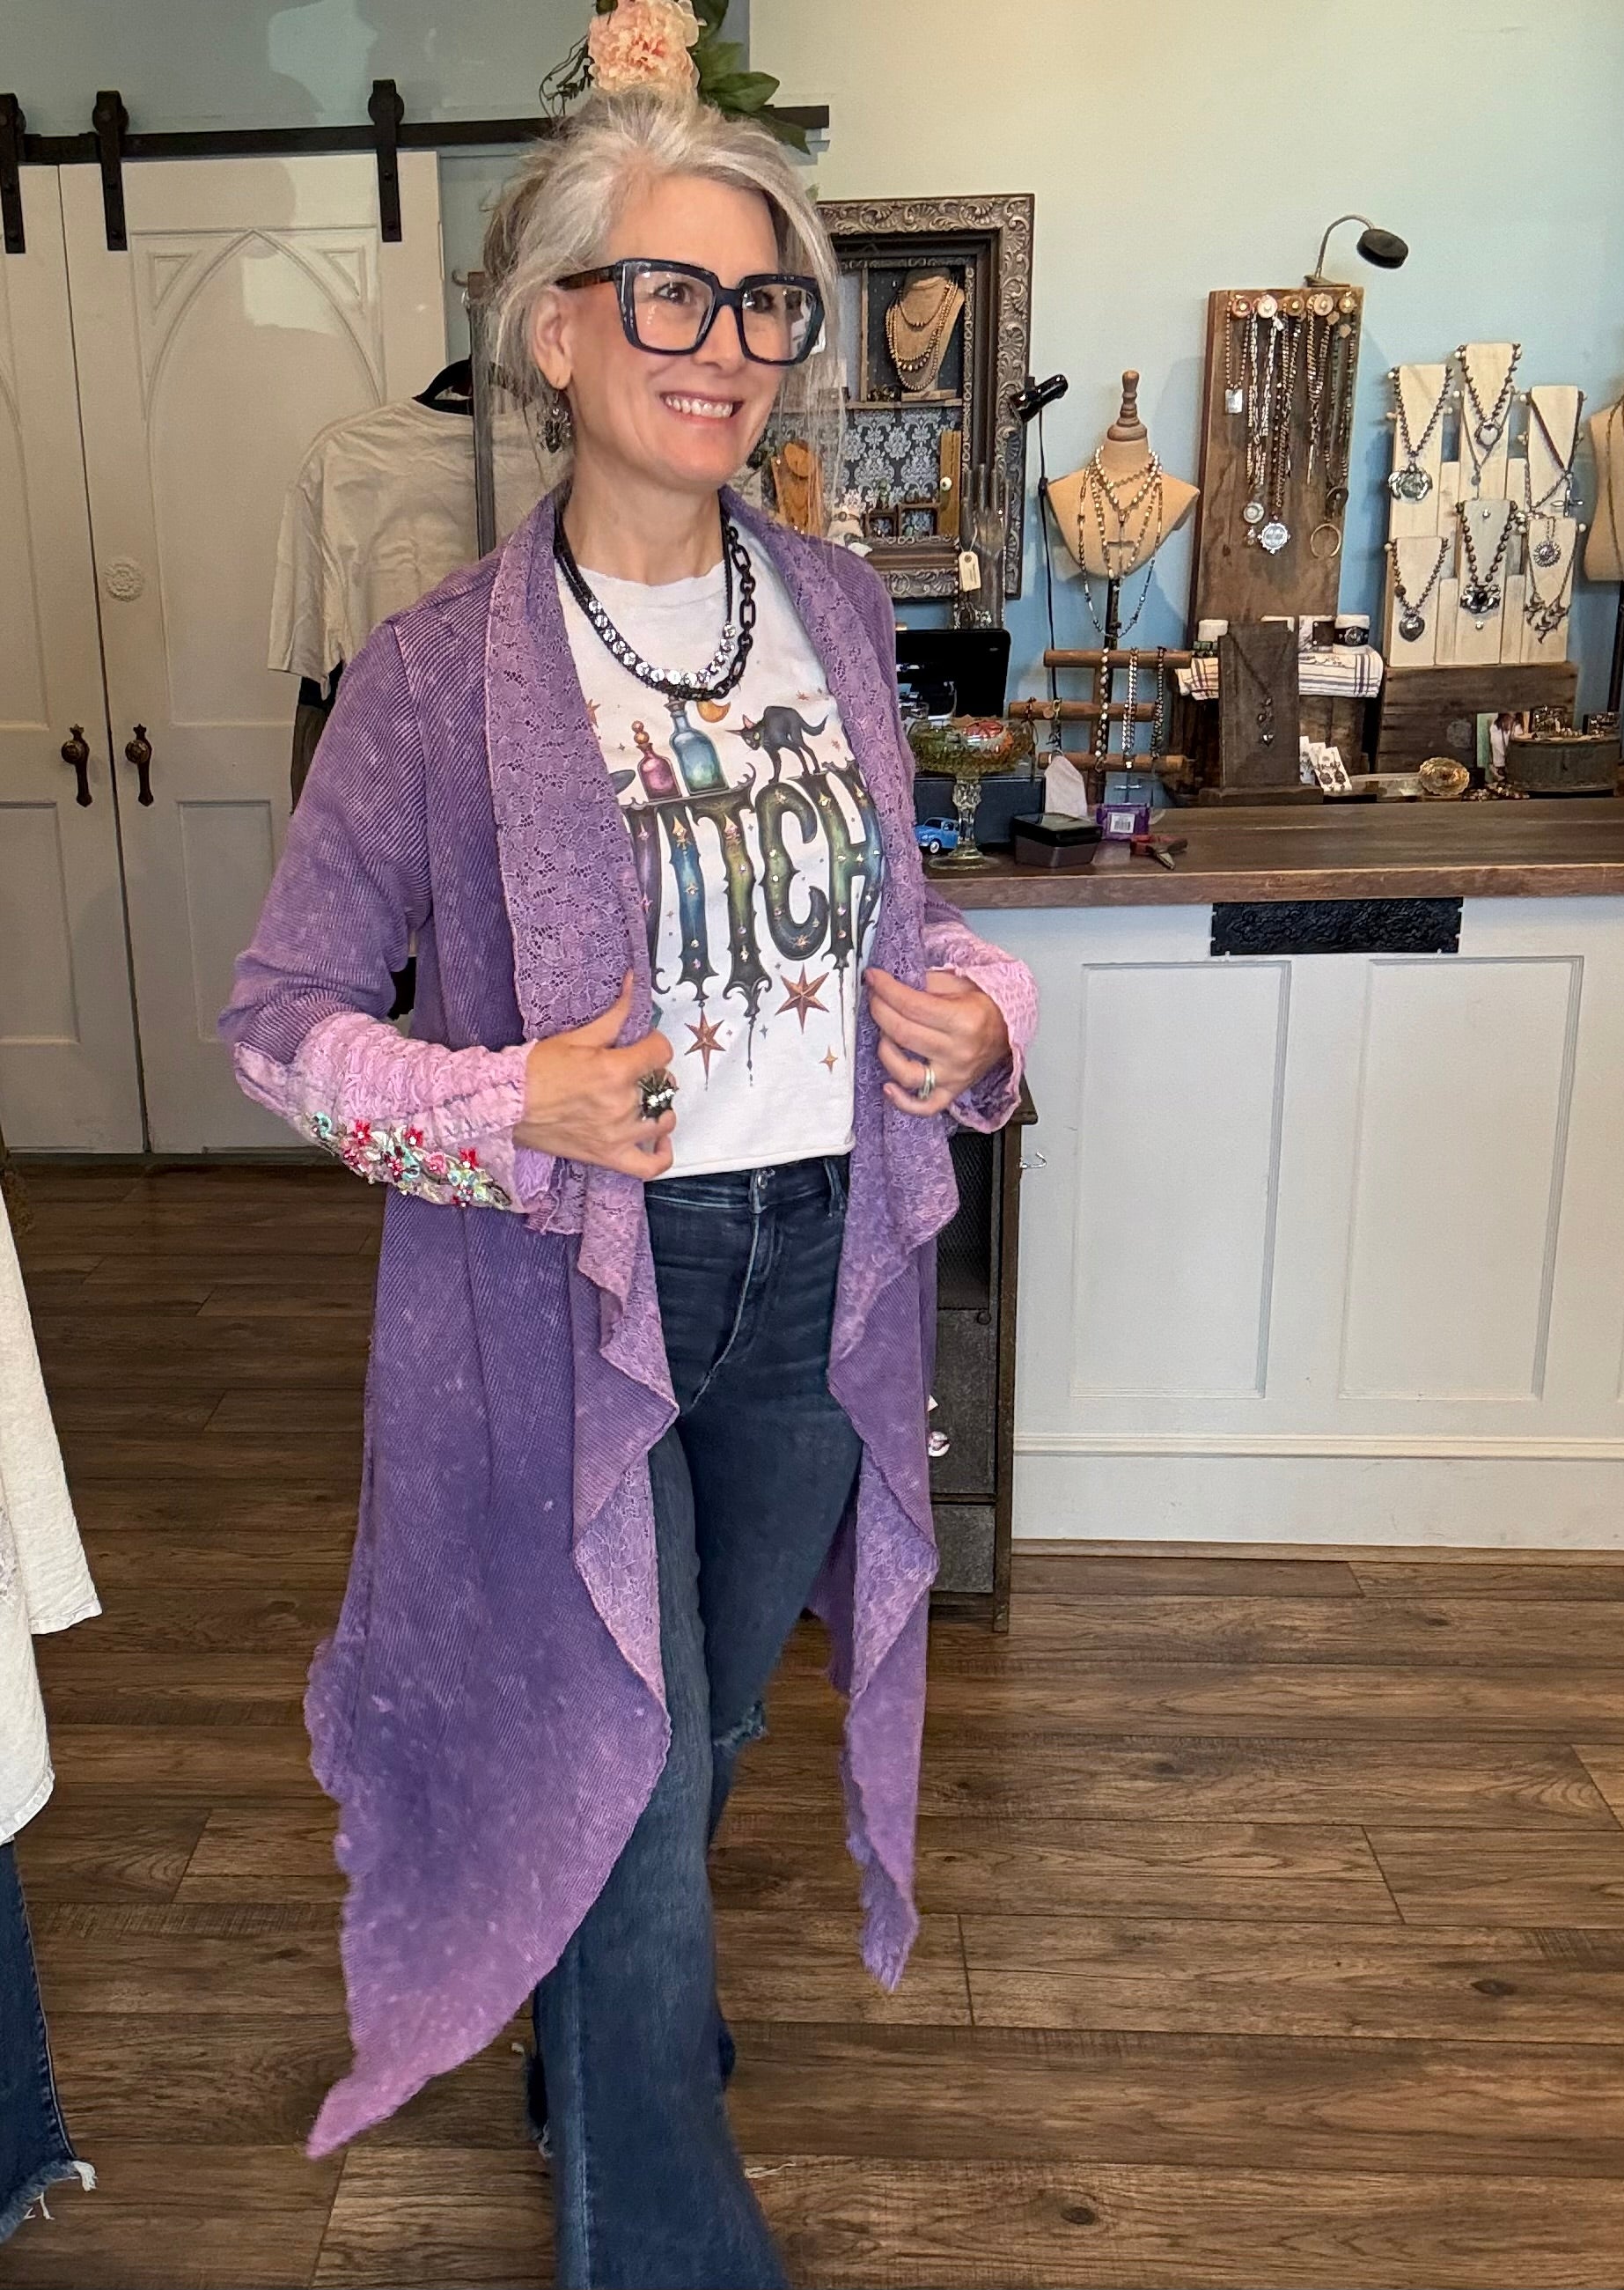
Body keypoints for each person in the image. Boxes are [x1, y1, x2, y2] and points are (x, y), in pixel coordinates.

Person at [221, 85, 1035, 2290]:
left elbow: (903, 922)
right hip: (574, 1285)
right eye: (670, 287)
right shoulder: (432, 674)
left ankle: (592, 2034)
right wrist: (514, 1106)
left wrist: (981, 1017)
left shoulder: (842, 613)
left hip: (816, 1259)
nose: (729, 338)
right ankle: (665, 2232)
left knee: (720, 1703)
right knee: (640, 1754)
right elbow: (278, 1015)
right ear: (556, 330)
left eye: (767, 300)